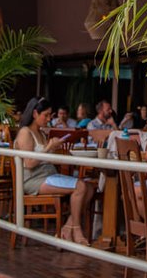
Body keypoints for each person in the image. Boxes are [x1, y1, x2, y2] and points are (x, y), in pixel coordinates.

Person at [14, 96, 98, 245]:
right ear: (34, 114)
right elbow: (30, 163)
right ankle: (77, 230)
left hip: (48, 175)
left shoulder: (42, 133)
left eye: (50, 115)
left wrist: (56, 149)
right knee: (80, 186)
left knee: (90, 188)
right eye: (45, 115)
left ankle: (67, 227)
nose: (48, 119)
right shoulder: (25, 133)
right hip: (33, 179)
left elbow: (47, 158)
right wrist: (49, 148)